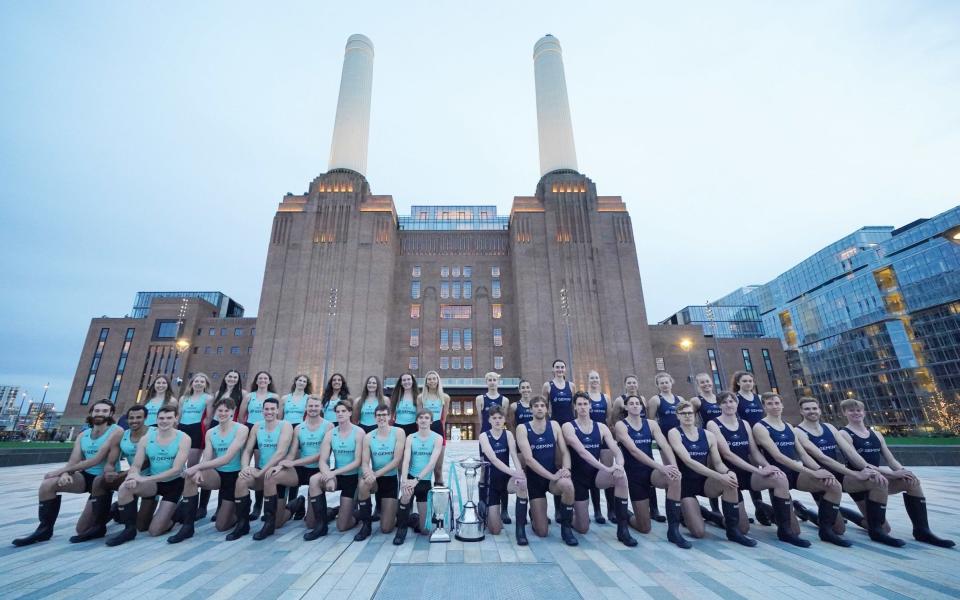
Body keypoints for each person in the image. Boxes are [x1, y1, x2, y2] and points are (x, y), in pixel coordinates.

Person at [839, 397, 954, 548]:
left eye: (858, 410)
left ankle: (922, 531)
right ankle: (876, 532)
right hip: (856, 480)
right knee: (883, 524)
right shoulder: (844, 433)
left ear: (864, 412)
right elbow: (858, 463)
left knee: (911, 481)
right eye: (851, 410)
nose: (856, 413)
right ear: (844, 413)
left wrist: (902, 471)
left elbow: (891, 459)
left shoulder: (876, 435)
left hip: (877, 478)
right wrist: (892, 475)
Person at [12, 399, 124, 547]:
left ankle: (113, 510)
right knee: (48, 484)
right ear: (91, 412)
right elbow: (73, 461)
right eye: (97, 411)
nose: (100, 414)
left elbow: (97, 459)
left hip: (103, 480)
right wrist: (65, 474)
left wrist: (60, 471)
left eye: (104, 411)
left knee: (82, 529)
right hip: (85, 476)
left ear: (111, 414)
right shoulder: (83, 435)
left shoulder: (116, 430)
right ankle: (44, 529)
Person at [794, 397, 901, 546]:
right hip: (821, 479)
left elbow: (850, 452)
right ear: (801, 411)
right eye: (807, 409)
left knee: (878, 483)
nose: (812, 411)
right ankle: (804, 512)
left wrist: (868, 469)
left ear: (819, 409)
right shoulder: (798, 431)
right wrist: (855, 474)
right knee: (838, 529)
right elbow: (821, 457)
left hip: (840, 475)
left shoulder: (830, 428)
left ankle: (875, 530)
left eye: (814, 408)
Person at [707, 391, 810, 547]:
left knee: (779, 478)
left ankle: (784, 531)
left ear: (737, 403)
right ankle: (710, 515)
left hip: (749, 473)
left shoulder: (745, 424)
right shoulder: (713, 424)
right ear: (719, 405)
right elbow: (727, 454)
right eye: (725, 402)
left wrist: (767, 466)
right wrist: (758, 470)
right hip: (730, 475)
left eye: (732, 401)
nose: (729, 405)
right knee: (743, 528)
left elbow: (754, 452)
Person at [751, 392, 850, 547]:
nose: (774, 406)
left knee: (833, 485)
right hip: (775, 475)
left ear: (782, 405)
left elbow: (803, 454)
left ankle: (826, 531)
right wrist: (811, 472)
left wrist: (819, 469)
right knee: (794, 531)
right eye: (769, 404)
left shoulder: (789, 426)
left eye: (777, 403)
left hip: (793, 472)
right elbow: (777, 456)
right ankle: (772, 517)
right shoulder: (760, 427)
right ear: (764, 407)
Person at [668, 400, 756, 547]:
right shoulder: (674, 433)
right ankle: (707, 514)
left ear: (695, 415)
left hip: (705, 482)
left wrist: (727, 472)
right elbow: (688, 461)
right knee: (698, 533)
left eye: (690, 413)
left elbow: (718, 463)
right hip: (686, 485)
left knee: (730, 482)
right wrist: (719, 476)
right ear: (677, 416)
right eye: (683, 414)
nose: (687, 416)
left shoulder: (708, 435)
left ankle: (732, 531)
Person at [105, 405, 191, 546]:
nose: (164, 421)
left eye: (169, 418)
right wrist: (132, 476)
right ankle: (129, 530)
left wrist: (144, 478)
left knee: (155, 531)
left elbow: (176, 469)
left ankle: (176, 514)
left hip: (174, 483)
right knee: (125, 488)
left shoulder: (184, 438)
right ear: (156, 419)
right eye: (161, 418)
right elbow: (137, 465)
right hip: (154, 483)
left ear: (176, 419)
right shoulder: (147, 438)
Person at [167, 398, 249, 543]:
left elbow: (227, 458)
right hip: (217, 474)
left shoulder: (241, 429)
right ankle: (188, 526)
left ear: (233, 412)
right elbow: (207, 456)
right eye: (220, 411)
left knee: (221, 526)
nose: (222, 413)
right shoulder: (211, 432)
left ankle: (239, 512)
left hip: (233, 476)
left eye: (226, 411)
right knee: (191, 476)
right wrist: (199, 470)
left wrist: (197, 466)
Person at [613, 395, 689, 548]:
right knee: (644, 528)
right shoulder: (621, 425)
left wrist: (673, 467)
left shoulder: (652, 424)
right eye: (631, 404)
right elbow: (633, 451)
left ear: (642, 407)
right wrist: (661, 467)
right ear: (626, 407)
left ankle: (673, 531)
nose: (635, 406)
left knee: (674, 478)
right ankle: (626, 515)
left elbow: (665, 446)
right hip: (634, 475)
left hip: (651, 472)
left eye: (638, 403)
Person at [562, 392, 637, 546]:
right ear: (575, 407)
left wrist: (619, 466)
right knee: (583, 528)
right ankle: (569, 516)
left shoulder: (601, 427)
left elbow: (617, 450)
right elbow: (582, 452)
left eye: (585, 404)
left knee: (621, 477)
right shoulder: (569, 426)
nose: (583, 407)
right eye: (579, 404)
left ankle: (622, 529)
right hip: (578, 478)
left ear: (590, 405)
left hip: (595, 475)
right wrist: (607, 468)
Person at [73, 404, 152, 543]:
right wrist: (109, 471)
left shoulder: (153, 433)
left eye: (138, 417)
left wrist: (124, 474)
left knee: (143, 526)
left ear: (145, 418)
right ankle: (99, 526)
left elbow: (147, 462)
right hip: (130, 475)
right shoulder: (124, 435)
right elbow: (111, 460)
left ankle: (117, 510)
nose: (134, 421)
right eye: (131, 418)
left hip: (150, 477)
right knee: (100, 480)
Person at [262, 395, 332, 537]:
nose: (313, 409)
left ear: (321, 408)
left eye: (316, 406)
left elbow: (321, 455)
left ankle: (331, 511)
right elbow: (292, 453)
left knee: (311, 524)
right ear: (305, 408)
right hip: (300, 470)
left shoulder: (328, 426)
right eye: (310, 406)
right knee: (272, 477)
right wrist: (280, 466)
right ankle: (295, 505)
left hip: (318, 470)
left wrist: (293, 463)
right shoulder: (299, 428)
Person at [226, 397, 294, 541]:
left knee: (278, 523)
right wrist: (245, 468)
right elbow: (247, 450)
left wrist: (260, 473)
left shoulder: (285, 425)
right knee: (242, 480)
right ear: (262, 410)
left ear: (277, 411)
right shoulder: (257, 426)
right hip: (262, 470)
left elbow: (280, 453)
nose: (269, 412)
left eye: (272, 409)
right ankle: (242, 524)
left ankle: (293, 507)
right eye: (266, 409)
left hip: (279, 471)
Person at [515, 396, 578, 546]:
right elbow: (529, 459)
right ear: (530, 410)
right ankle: (534, 514)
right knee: (542, 532)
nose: (539, 408)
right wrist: (552, 475)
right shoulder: (523, 428)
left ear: (547, 409)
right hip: (535, 480)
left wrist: (566, 469)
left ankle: (566, 528)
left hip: (553, 479)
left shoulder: (554, 425)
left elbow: (564, 452)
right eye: (536, 406)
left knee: (568, 485)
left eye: (542, 405)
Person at [304, 400, 363, 539]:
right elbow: (323, 460)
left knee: (342, 526)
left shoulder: (359, 432)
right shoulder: (331, 433)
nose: (340, 414)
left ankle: (358, 513)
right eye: (338, 412)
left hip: (352, 478)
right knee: (314, 480)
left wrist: (332, 474)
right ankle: (321, 525)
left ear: (350, 413)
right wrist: (328, 475)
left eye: (344, 411)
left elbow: (357, 462)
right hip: (337, 475)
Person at [609, 374, 662, 522]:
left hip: (642, 436)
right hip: (627, 435)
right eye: (629, 383)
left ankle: (655, 509)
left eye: (634, 382)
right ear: (625, 385)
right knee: (632, 473)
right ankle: (621, 509)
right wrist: (618, 437)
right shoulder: (620, 399)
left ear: (637, 385)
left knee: (649, 473)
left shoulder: (643, 399)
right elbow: (613, 418)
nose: (632, 385)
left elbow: (648, 419)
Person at [354, 404, 405, 541]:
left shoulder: (398, 432)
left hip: (390, 479)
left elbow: (396, 460)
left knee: (386, 529)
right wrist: (368, 473)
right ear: (375, 417)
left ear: (390, 416)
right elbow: (365, 462)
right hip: (375, 480)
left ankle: (400, 514)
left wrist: (375, 474)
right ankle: (366, 524)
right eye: (378, 415)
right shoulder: (369, 436)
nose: (381, 418)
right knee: (363, 483)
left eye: (384, 415)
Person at [479, 406, 529, 544]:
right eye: (494, 418)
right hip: (492, 483)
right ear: (489, 420)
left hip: (506, 480)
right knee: (495, 530)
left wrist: (519, 474)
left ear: (504, 419)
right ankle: (488, 512)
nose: (497, 421)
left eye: (500, 418)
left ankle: (520, 530)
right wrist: (513, 472)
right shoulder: (484, 436)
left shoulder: (508, 435)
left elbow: (514, 455)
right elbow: (493, 459)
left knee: (522, 485)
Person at [393, 409, 443, 545]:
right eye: (420, 417)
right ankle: (402, 529)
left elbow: (432, 463)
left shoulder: (437, 438)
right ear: (416, 421)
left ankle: (414, 518)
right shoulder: (411, 437)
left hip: (423, 481)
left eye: (427, 418)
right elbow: (406, 460)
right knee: (406, 495)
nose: (423, 420)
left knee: (425, 530)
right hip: (410, 478)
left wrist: (417, 480)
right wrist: (404, 480)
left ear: (431, 421)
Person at [200, 369, 243, 520]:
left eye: (235, 377)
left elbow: (242, 413)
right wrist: (208, 427)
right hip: (216, 426)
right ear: (225, 378)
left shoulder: (241, 394)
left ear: (238, 380)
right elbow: (210, 413)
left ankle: (222, 508)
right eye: (229, 376)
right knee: (209, 463)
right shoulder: (218, 392)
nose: (232, 379)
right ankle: (202, 506)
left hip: (231, 427)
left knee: (225, 463)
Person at [732, 371, 772, 525]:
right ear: (738, 383)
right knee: (753, 473)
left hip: (763, 439)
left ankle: (767, 507)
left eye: (750, 380)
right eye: (745, 381)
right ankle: (758, 508)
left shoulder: (759, 398)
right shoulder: (736, 399)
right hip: (748, 440)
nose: (748, 383)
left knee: (767, 471)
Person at [238, 371, 277, 521]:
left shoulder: (274, 397)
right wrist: (247, 428)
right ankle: (250, 501)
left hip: (267, 431)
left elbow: (276, 417)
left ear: (269, 381)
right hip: (251, 428)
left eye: (265, 378)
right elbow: (242, 415)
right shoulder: (249, 396)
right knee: (252, 464)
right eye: (260, 378)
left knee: (262, 465)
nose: (262, 380)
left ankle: (260, 504)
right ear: (256, 381)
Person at [476, 371, 510, 521]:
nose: (491, 382)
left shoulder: (504, 400)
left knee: (503, 470)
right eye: (489, 380)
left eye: (494, 380)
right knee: (484, 469)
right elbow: (481, 419)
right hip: (486, 436)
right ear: (486, 382)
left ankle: (505, 510)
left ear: (498, 382)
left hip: (501, 436)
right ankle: (483, 503)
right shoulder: (480, 399)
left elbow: (503, 419)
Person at [584, 370, 613, 524]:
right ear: (587, 380)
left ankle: (611, 509)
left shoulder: (605, 397)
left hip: (604, 436)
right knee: (592, 472)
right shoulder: (584, 397)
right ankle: (597, 510)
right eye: (592, 377)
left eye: (596, 377)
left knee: (608, 472)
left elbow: (608, 416)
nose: (594, 380)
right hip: (590, 436)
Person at [280, 374, 312, 509]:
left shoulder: (308, 398)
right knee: (282, 462)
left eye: (304, 381)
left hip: (299, 430)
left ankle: (293, 500)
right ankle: (281, 498)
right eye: (300, 380)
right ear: (295, 381)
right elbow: (280, 416)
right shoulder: (285, 398)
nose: (302, 383)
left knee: (293, 465)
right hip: (285, 430)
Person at [178, 373, 214, 471]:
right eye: (196, 381)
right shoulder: (183, 398)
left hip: (197, 430)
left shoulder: (208, 398)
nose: (199, 383)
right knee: (178, 462)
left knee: (192, 465)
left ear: (206, 384)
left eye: (202, 382)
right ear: (192, 383)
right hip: (182, 429)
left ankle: (190, 484)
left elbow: (208, 418)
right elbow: (179, 416)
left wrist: (204, 434)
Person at [419, 371, 449, 484]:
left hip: (438, 429)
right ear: (426, 382)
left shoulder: (445, 397)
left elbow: (443, 419)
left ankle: (439, 496)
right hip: (424, 431)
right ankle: (423, 494)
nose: (432, 381)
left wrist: (442, 434)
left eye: (434, 379)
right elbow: (418, 418)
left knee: (438, 469)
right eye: (429, 379)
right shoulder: (421, 398)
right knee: (423, 467)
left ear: (438, 381)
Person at [542, 359, 575, 426]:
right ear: (553, 369)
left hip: (570, 423)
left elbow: (574, 406)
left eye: (562, 367)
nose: (560, 369)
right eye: (557, 367)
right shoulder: (547, 385)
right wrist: (547, 421)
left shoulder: (571, 385)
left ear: (565, 369)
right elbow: (544, 406)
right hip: (555, 423)